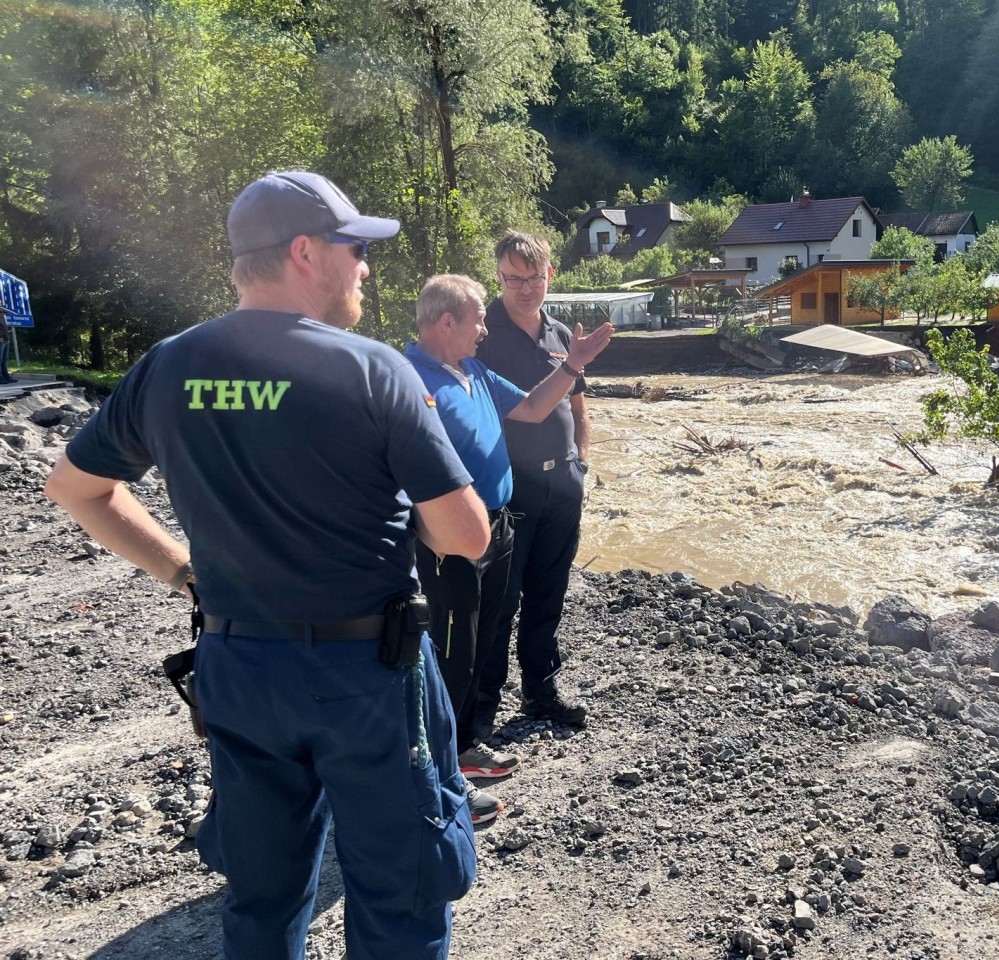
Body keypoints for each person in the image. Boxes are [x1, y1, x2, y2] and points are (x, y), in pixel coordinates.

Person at [44, 171, 493, 960]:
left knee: (261, 895)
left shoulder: (168, 367)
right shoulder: (371, 368)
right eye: (354, 249)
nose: (364, 268)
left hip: (239, 667)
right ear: (303, 253)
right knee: (401, 893)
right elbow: (465, 536)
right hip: (370, 672)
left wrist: (186, 573)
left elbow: (77, 489)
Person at [404, 274, 612, 781]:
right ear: (446, 321)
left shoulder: (473, 370)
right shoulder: (407, 377)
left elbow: (537, 407)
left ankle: (468, 744)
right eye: (478, 317)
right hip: (447, 539)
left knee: (485, 635)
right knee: (454, 647)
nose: (484, 327)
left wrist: (572, 365)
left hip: (498, 525)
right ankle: (441, 765)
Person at [474, 231, 592, 734]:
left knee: (550, 592)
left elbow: (580, 408)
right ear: (498, 277)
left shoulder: (563, 334)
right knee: (499, 600)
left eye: (534, 277)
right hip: (509, 489)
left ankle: (541, 692)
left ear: (550, 275)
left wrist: (581, 464)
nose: (525, 288)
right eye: (513, 278)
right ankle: (480, 708)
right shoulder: (482, 336)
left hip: (562, 485)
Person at [0, 307, 15, 383]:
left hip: (6, 338)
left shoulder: (2, 312)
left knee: (4, 360)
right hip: (1, 339)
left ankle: (6, 376)